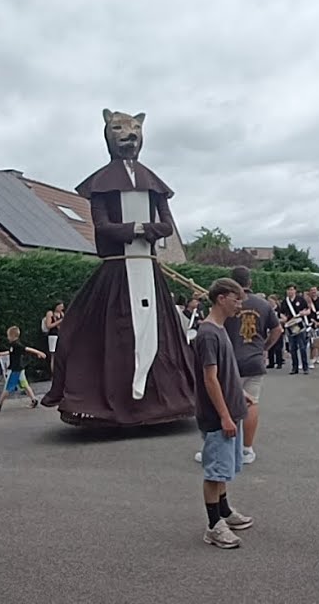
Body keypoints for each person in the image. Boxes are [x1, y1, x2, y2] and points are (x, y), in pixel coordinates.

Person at [41, 109, 196, 426]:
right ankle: (103, 403)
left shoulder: (153, 183)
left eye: (135, 128)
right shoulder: (101, 184)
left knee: (165, 334)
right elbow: (103, 226)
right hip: (115, 269)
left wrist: (141, 231)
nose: (130, 134)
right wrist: (141, 229)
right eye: (119, 128)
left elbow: (167, 225)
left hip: (148, 269)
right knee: (83, 330)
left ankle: (164, 401)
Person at [194, 278, 255, 549]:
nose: (239, 305)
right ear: (221, 298)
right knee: (215, 471)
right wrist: (224, 416)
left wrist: (238, 393)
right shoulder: (208, 334)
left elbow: (223, 372)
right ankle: (213, 526)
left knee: (225, 468)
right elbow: (210, 379)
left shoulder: (220, 329)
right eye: (236, 299)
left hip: (231, 409)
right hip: (218, 416)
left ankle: (225, 511)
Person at [215, 266, 280, 465]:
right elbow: (278, 329)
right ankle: (246, 449)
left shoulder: (227, 304)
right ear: (250, 282)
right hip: (254, 360)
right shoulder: (263, 304)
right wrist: (264, 347)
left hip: (230, 360)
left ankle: (222, 448)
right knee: (252, 403)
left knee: (223, 404)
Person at [0, 326, 45, 412]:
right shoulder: (13, 345)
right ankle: (34, 399)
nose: (7, 338)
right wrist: (0, 354)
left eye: (8, 336)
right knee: (25, 385)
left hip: (16, 369)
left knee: (8, 387)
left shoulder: (17, 345)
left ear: (13, 336)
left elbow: (27, 349)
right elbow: (10, 352)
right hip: (19, 368)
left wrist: (38, 352)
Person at [279, 284, 310, 375]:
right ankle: (294, 367)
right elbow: (281, 312)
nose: (290, 291)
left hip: (300, 324)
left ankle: (305, 367)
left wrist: (304, 313)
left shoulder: (301, 299)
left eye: (292, 289)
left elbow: (308, 310)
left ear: (295, 291)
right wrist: (283, 317)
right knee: (292, 348)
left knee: (302, 347)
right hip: (290, 325)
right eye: (288, 290)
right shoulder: (285, 301)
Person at [42, 302, 65, 373]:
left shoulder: (62, 314)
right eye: (60, 307)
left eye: (62, 307)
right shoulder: (50, 313)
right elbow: (49, 325)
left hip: (60, 334)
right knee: (53, 355)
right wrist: (59, 321)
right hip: (53, 335)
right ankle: (53, 372)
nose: (61, 308)